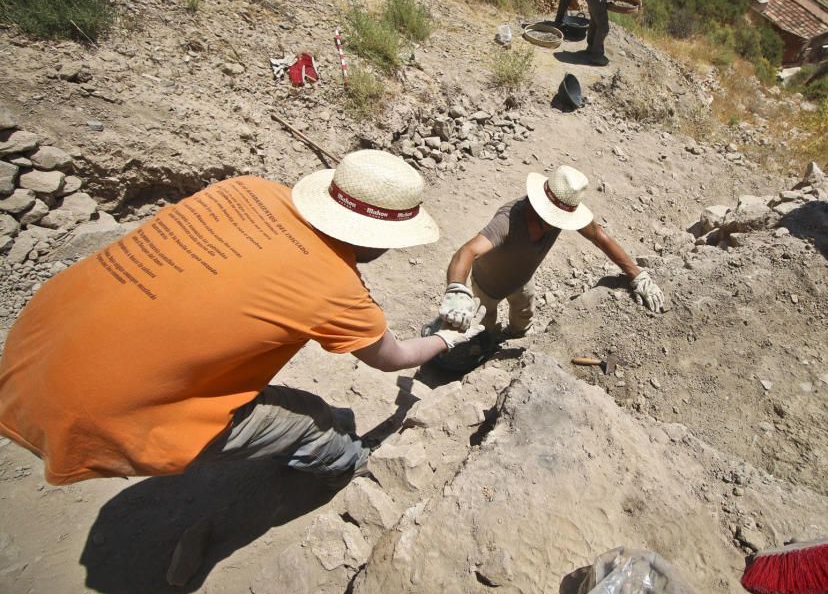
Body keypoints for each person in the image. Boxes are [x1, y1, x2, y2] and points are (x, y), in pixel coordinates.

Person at [0, 150, 483, 487]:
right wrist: (444, 338)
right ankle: (349, 464)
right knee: (315, 420)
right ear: (379, 238)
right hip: (97, 412)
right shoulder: (336, 289)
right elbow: (392, 357)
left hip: (35, 343)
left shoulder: (248, 189)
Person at [438, 165, 666, 339]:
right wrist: (456, 290)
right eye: (555, 219)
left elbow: (598, 235)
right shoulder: (507, 221)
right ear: (539, 208)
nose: (559, 224)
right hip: (487, 285)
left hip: (522, 281)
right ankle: (486, 345)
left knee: (523, 315)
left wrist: (636, 274)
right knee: (482, 326)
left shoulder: (562, 210)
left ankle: (515, 338)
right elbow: (467, 251)